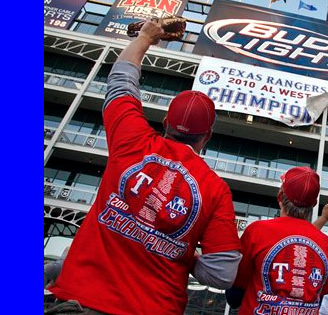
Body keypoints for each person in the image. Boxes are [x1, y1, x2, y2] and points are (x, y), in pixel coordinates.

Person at [47, 19, 241, 315]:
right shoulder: (215, 189)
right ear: (207, 137)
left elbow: (121, 79)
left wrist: (145, 38)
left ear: (165, 123)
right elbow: (221, 275)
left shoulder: (132, 139)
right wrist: (181, 250)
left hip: (82, 301)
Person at [225, 167, 328, 314]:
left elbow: (234, 296)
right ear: (314, 203)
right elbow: (318, 298)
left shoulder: (257, 231)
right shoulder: (325, 244)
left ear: (280, 196)